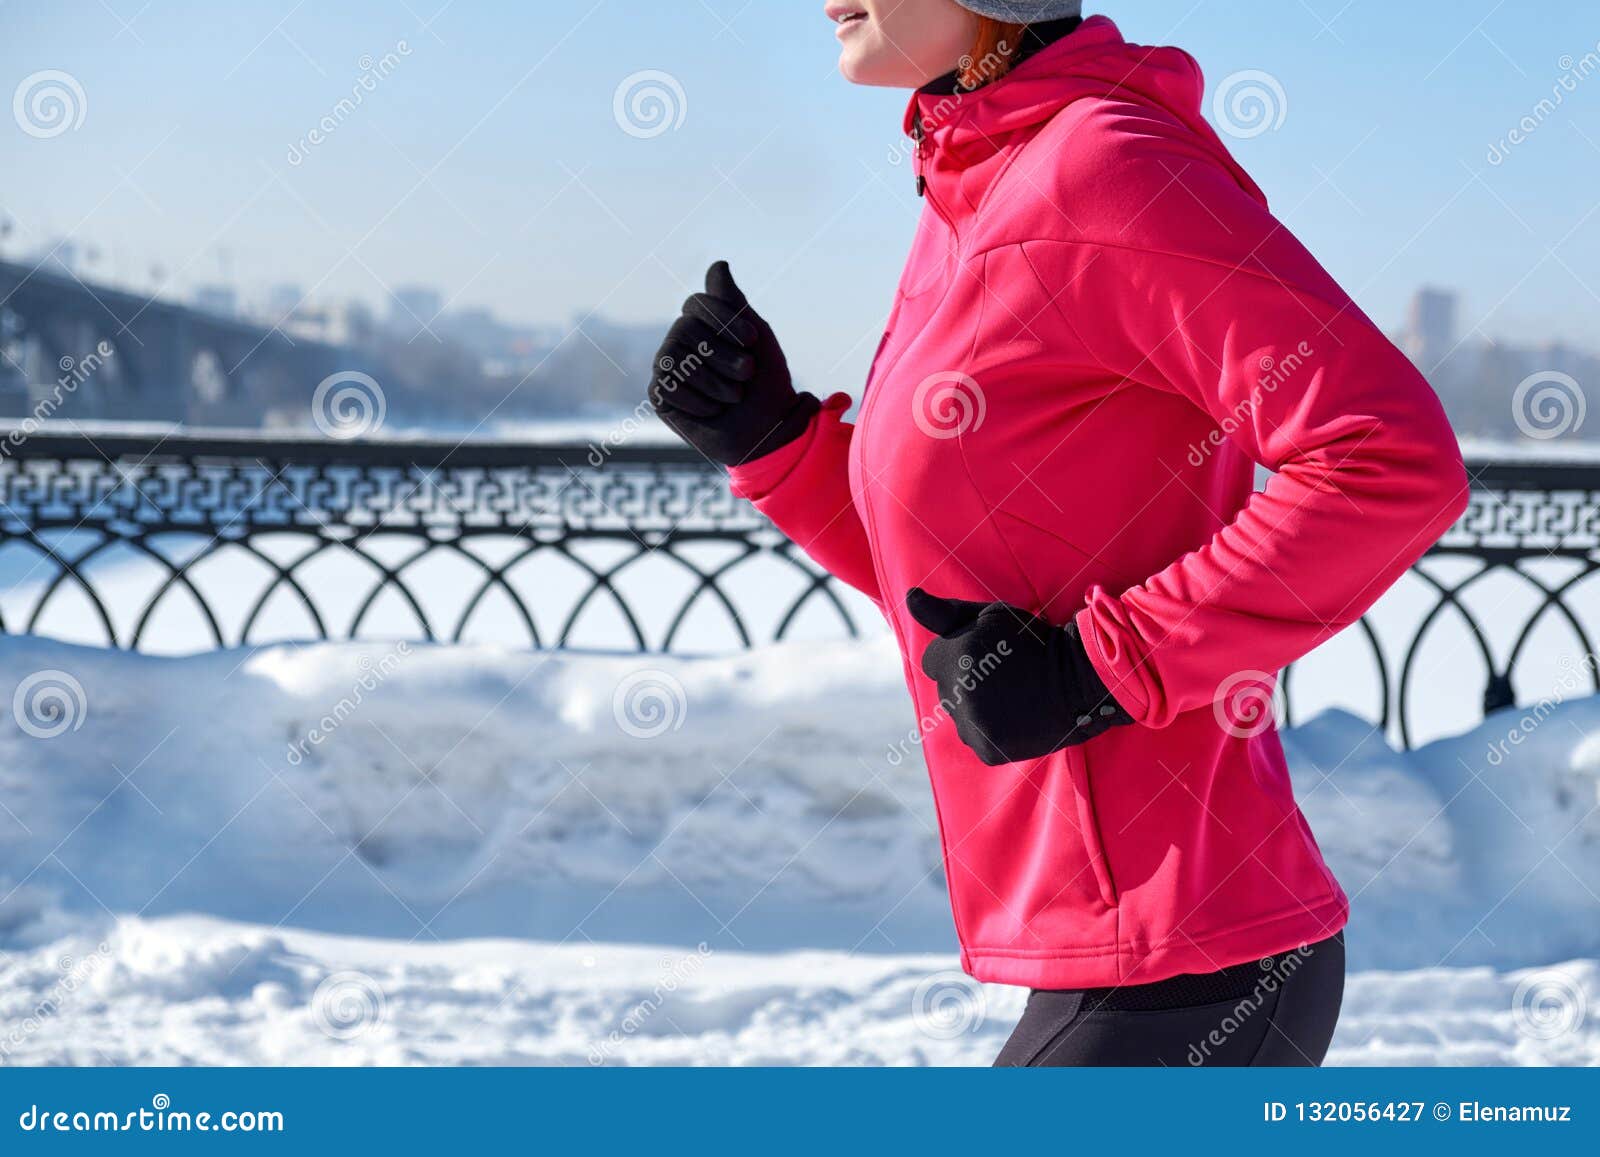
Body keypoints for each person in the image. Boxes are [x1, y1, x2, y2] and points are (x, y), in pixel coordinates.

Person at [647, 0, 1467, 1066]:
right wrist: (777, 445)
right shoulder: (975, 188)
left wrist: (1101, 664)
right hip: (1113, 952)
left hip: (1188, 963)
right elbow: (965, 565)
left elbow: (1389, 458)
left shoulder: (1102, 166)